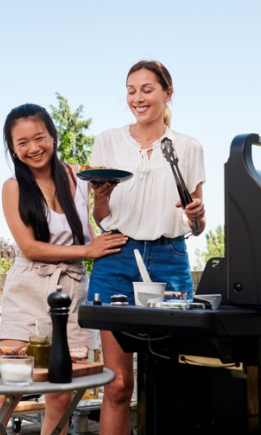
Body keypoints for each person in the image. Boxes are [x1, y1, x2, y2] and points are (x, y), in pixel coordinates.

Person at [0, 104, 128, 435]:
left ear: (53, 135)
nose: (33, 148)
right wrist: (88, 250)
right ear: (13, 149)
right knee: (5, 391)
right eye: (22, 143)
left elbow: (101, 220)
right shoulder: (13, 187)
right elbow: (29, 247)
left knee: (61, 394)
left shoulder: (79, 176)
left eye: (39, 137)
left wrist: (102, 197)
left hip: (72, 287)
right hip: (27, 286)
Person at [87, 60, 206, 434]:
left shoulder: (188, 147)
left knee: (172, 383)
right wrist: (102, 198)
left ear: (168, 94)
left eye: (146, 89)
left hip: (169, 260)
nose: (137, 98)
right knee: (118, 386)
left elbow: (197, 225)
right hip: (117, 258)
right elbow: (101, 216)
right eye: (131, 90)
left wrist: (198, 215)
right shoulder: (107, 141)